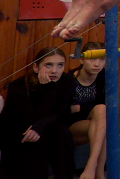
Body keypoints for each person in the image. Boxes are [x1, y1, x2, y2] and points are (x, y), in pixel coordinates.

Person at [0, 48, 74, 179]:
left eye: (60, 65)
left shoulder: (66, 81)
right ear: (36, 67)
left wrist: (40, 127)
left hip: (43, 125)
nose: (54, 71)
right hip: (17, 129)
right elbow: (31, 118)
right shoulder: (19, 85)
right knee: (38, 138)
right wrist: (49, 89)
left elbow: (60, 113)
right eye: (48, 65)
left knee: (61, 132)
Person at [65, 42, 107, 179]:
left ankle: (94, 169)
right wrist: (83, 109)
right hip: (71, 128)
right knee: (101, 127)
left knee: (101, 112)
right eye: (92, 59)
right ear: (82, 59)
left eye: (102, 59)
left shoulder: (104, 77)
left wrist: (79, 108)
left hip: (95, 124)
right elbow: (63, 111)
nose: (97, 64)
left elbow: (105, 107)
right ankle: (95, 170)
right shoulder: (70, 79)